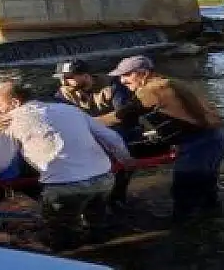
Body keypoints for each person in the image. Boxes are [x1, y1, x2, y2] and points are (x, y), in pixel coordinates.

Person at [0, 81, 134, 251]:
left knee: (61, 237)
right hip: (103, 178)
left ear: (15, 102)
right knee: (98, 225)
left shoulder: (12, 121)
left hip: (64, 187)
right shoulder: (68, 109)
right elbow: (112, 139)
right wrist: (126, 161)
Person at [98, 55, 224, 219]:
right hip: (216, 135)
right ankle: (214, 223)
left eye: (126, 75)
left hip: (200, 142)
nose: (122, 81)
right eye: (120, 76)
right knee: (207, 187)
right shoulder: (168, 81)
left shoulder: (153, 90)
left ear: (143, 73)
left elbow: (122, 116)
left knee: (184, 190)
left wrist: (83, 121)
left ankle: (185, 232)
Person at [52, 59, 152, 209]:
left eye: (69, 77)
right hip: (89, 132)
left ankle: (117, 197)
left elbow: (123, 115)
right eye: (62, 77)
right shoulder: (63, 94)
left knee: (123, 151)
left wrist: (90, 123)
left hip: (122, 130)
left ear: (86, 76)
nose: (64, 81)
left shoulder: (112, 86)